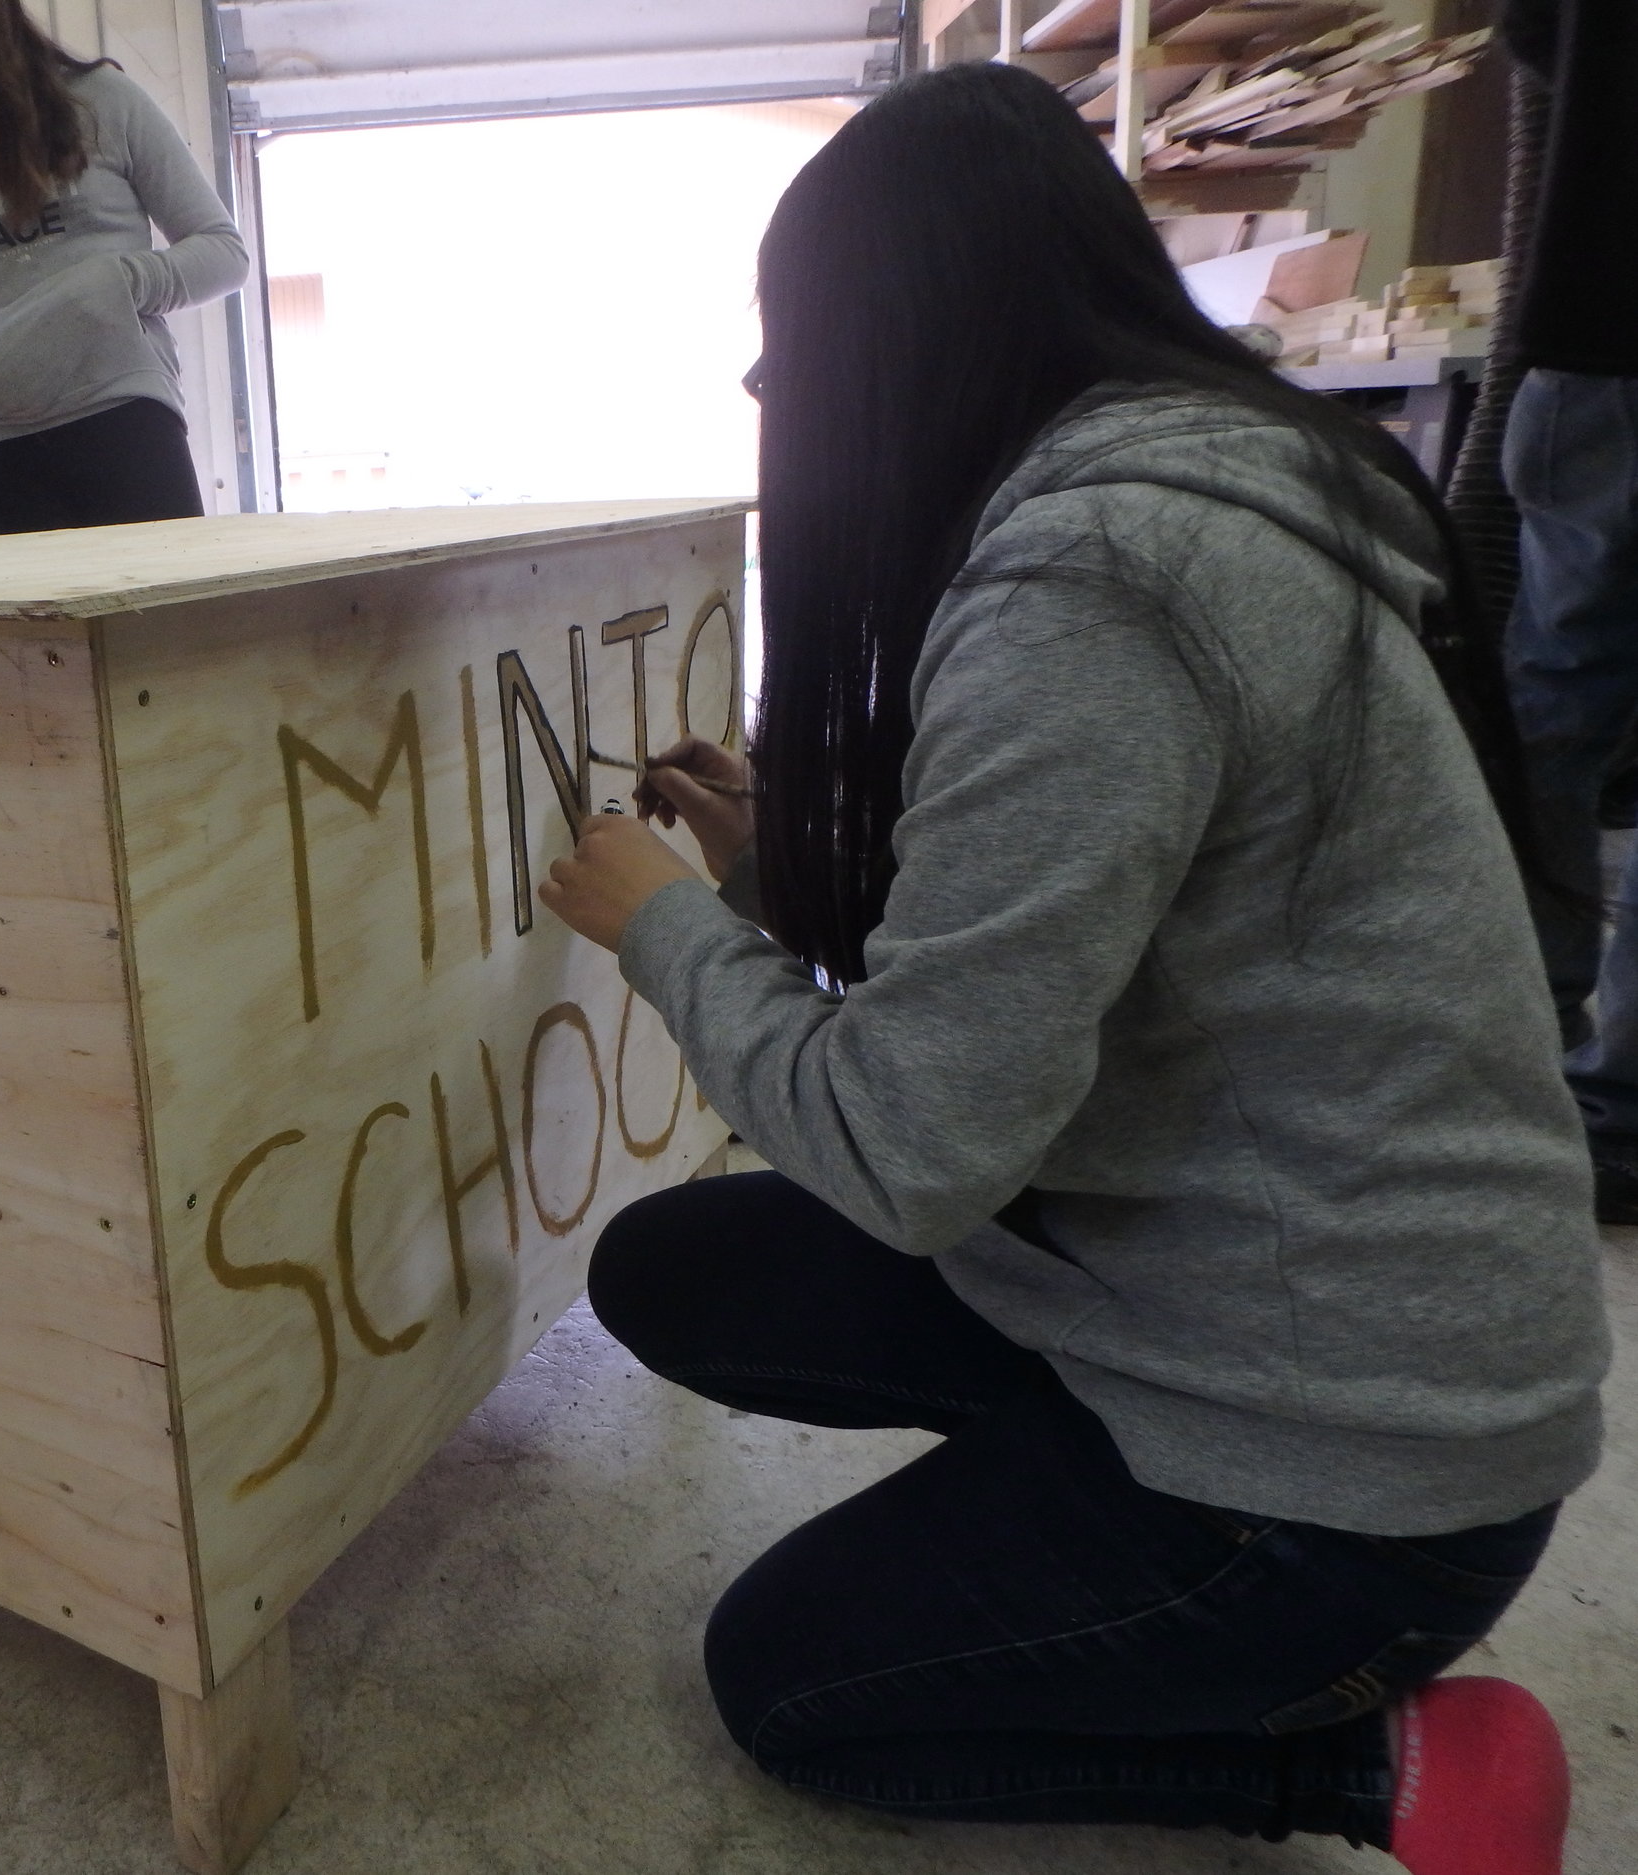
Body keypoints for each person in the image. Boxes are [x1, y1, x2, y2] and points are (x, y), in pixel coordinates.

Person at [535, 62, 1610, 1875]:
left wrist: (667, 927)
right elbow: (1073, 949)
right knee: (670, 1268)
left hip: (1357, 1464)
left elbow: (912, 1153)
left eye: (791, 337)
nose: (764, 387)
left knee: (786, 1683)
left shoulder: (1099, 580)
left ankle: (1364, 1765)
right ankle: (1084, 1484)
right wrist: (778, 867)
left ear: (913, 333)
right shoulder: (1192, 489)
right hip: (1250, 1294)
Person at [0, 0, 248, 536]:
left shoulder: (101, 100)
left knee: (157, 618)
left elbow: (223, 253)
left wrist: (121, 282)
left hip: (126, 420)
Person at [1497, 0, 1638, 1219]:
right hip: (1595, 333)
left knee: (1550, 715)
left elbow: (1535, 37)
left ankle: (1521, 1075)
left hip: (1602, 324)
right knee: (1546, 717)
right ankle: (1598, 1104)